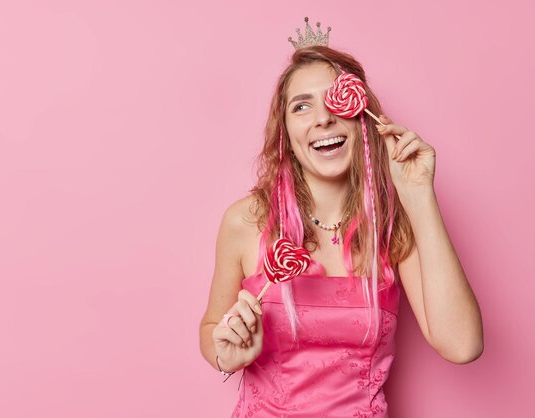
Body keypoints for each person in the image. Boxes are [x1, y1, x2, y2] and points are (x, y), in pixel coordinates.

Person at [198, 17, 483, 417]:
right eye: (302, 106)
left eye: (334, 102)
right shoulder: (246, 221)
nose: (322, 119)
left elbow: (463, 344)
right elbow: (211, 329)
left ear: (360, 117)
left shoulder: (391, 225)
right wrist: (226, 352)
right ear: (285, 133)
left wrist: (418, 195)